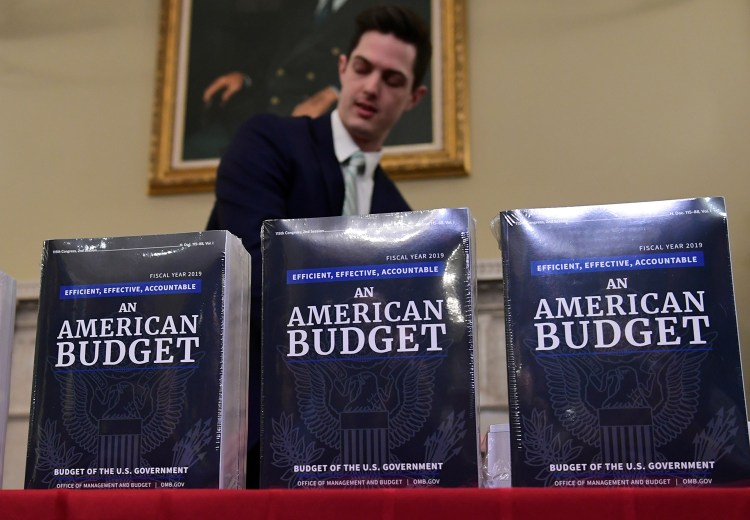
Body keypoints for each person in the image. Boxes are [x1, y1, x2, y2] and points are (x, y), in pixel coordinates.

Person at [206, 3, 431, 488]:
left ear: (414, 98)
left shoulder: (403, 216)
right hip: (247, 433)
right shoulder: (266, 142)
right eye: (364, 69)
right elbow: (259, 275)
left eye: (392, 80)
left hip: (361, 442)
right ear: (342, 68)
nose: (372, 87)